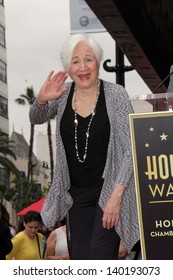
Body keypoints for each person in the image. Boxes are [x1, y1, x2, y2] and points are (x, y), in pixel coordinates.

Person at [29, 33, 140, 260]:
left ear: (98, 62)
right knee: (80, 259)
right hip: (75, 195)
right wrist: (41, 99)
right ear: (68, 68)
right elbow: (35, 117)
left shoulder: (116, 95)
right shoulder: (62, 96)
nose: (83, 67)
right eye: (75, 61)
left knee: (99, 255)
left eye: (88, 59)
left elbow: (130, 148)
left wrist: (116, 197)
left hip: (108, 190)